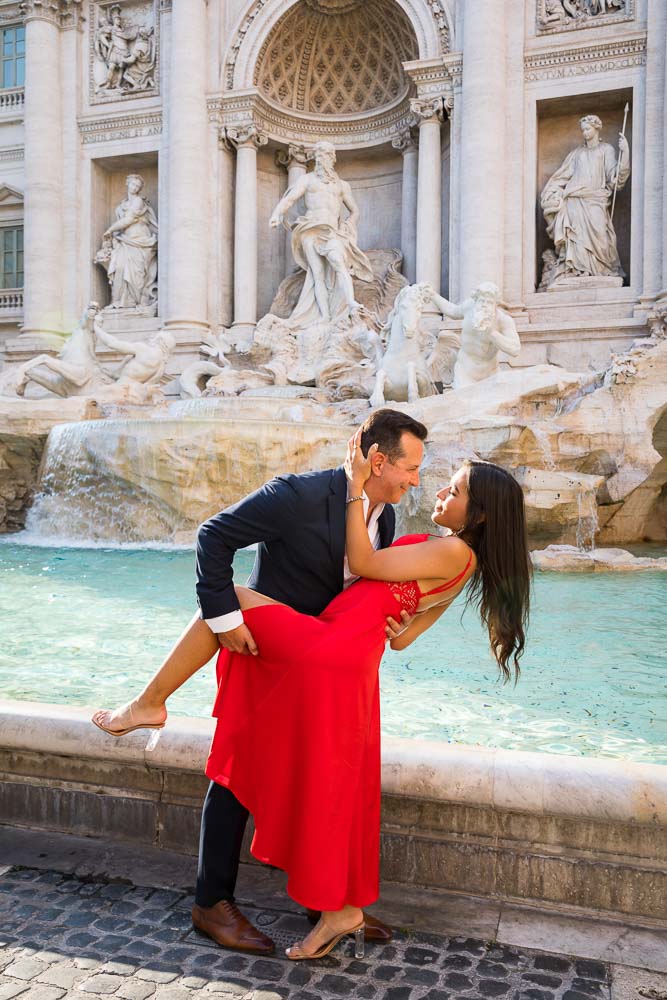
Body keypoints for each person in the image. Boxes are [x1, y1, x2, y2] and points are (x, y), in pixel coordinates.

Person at [93, 414, 531, 961]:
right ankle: (232, 902)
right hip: (306, 653)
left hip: (324, 657)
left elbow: (366, 568)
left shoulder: (404, 528)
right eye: (413, 469)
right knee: (263, 737)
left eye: (447, 483)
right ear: (378, 461)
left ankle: (149, 704)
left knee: (316, 772)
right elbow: (216, 536)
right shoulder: (299, 497)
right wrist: (393, 622)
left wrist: (385, 615)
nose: (422, 482)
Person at [268, 141, 373, 326]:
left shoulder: (342, 185)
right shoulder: (307, 179)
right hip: (310, 228)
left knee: (338, 262)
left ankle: (350, 303)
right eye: (319, 155)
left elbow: (355, 210)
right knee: (317, 274)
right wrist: (277, 213)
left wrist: (349, 224)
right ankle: (325, 316)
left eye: (326, 154)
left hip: (332, 231)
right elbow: (290, 198)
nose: (322, 158)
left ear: (333, 158)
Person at [540, 114, 630, 284]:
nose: (585, 133)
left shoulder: (606, 149)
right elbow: (562, 176)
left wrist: (625, 153)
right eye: (582, 130)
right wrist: (551, 193)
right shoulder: (576, 154)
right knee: (575, 238)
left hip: (596, 199)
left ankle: (602, 270)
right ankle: (576, 270)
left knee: (601, 237)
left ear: (597, 129)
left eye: (587, 129)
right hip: (574, 200)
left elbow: (614, 178)